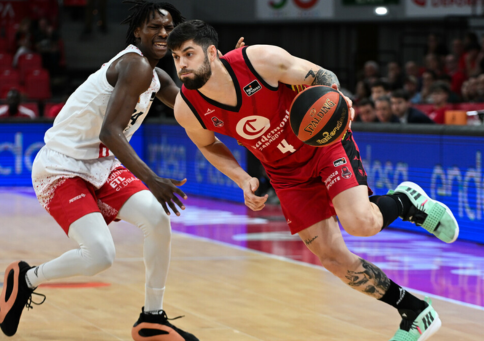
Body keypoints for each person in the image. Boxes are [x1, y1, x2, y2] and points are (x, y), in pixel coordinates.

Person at [169, 20, 459, 340]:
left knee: (361, 223)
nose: (181, 64)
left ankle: (406, 202)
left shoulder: (259, 60)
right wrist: (241, 178)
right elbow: (208, 144)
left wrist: (336, 96)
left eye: (188, 54)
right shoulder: (187, 107)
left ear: (212, 52)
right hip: (285, 174)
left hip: (322, 144)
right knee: (333, 259)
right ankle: (414, 310)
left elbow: (321, 75)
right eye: (176, 57)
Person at [0, 2, 199, 340]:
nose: (163, 32)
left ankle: (152, 318)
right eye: (155, 26)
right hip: (62, 167)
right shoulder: (133, 65)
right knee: (100, 256)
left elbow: (195, 112)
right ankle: (26, 279)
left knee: (157, 221)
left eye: (169, 27)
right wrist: (152, 179)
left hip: (101, 166)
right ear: (137, 32)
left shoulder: (158, 76)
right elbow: (110, 132)